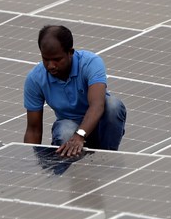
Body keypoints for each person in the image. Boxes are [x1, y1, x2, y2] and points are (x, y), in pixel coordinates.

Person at [23, 25, 126, 157]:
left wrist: (80, 135)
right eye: (46, 59)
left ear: (70, 52)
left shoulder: (91, 63)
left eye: (57, 59)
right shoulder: (35, 79)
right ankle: (73, 166)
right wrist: (29, 161)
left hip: (99, 125)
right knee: (65, 132)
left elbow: (97, 106)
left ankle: (107, 157)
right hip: (69, 126)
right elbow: (33, 129)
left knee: (113, 105)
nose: (50, 65)